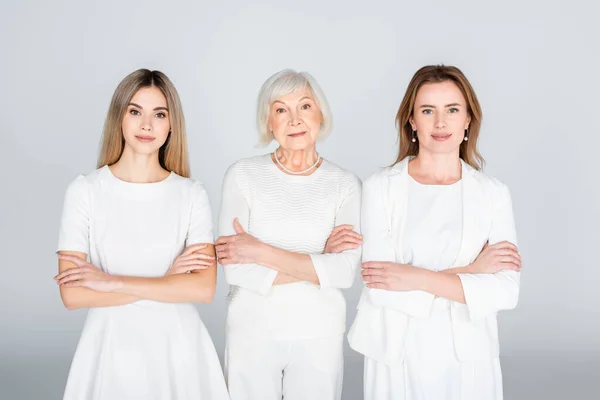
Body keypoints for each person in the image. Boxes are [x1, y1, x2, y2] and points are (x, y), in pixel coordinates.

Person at [348, 65, 522, 400]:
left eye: (452, 110)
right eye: (428, 111)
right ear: (412, 120)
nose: (440, 123)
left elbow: (505, 291)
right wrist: (472, 273)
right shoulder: (380, 188)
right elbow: (382, 286)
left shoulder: (493, 193)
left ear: (468, 119)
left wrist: (412, 277)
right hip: (396, 350)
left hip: (467, 355)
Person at [54, 69, 229, 400]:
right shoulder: (85, 191)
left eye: (159, 114)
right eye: (135, 111)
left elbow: (204, 288)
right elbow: (73, 296)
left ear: (171, 124)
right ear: (119, 118)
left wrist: (112, 282)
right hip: (110, 350)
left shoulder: (192, 193)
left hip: (178, 349)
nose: (146, 125)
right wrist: (166, 282)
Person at [216, 69, 362, 400]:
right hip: (251, 329)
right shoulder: (243, 175)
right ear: (268, 121)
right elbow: (236, 268)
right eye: (281, 109)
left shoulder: (345, 184)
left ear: (321, 113)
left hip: (319, 332)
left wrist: (259, 251)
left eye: (305, 106)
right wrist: (318, 262)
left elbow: (342, 272)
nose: (294, 119)